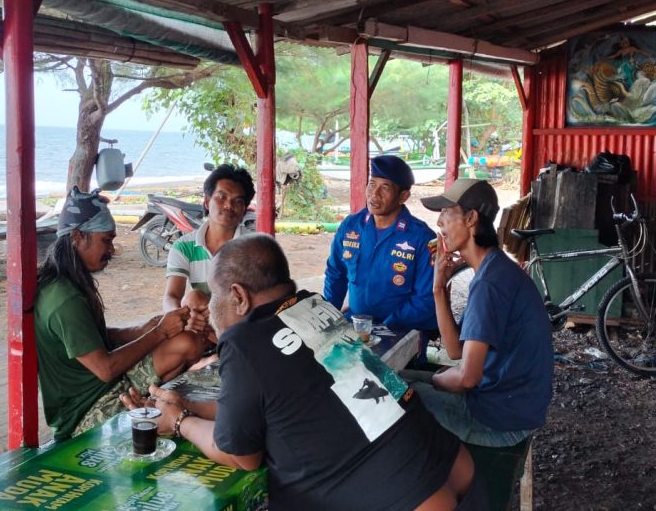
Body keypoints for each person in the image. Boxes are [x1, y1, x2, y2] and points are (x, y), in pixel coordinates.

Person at [123, 234, 482, 511]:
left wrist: (180, 420)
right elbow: (293, 405)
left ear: (238, 296)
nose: (211, 306)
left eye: (213, 296)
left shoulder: (246, 342)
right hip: (453, 467)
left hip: (401, 496)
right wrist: (192, 405)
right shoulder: (316, 307)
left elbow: (241, 456)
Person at [34, 187, 207, 441]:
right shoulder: (64, 300)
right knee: (186, 344)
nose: (112, 250)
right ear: (78, 236)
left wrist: (141, 330)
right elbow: (105, 368)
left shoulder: (63, 284)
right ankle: (161, 415)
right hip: (87, 410)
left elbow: (89, 338)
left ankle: (155, 404)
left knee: (186, 342)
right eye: (106, 240)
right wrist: (159, 332)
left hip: (101, 388)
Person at [410, 178, 554, 448]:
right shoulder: (494, 269)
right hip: (507, 405)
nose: (439, 223)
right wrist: (439, 287)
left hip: (500, 419)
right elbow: (455, 351)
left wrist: (439, 380)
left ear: (471, 218)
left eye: (446, 213)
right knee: (397, 379)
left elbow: (467, 377)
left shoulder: (490, 283)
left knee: (396, 395)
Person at [323, 155, 437, 333]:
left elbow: (426, 298)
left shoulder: (421, 238)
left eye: (385, 188)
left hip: (402, 330)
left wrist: (386, 326)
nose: (374, 194)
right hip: (357, 324)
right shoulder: (351, 226)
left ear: (403, 196)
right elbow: (335, 273)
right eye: (372, 184)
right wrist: (330, 316)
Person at [162, 164, 255, 341]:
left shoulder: (253, 247)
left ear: (244, 210)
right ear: (207, 201)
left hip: (240, 323)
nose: (229, 205)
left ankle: (222, 350)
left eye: (238, 201)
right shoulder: (184, 247)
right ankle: (217, 352)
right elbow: (171, 296)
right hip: (204, 326)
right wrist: (181, 318)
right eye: (222, 197)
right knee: (194, 298)